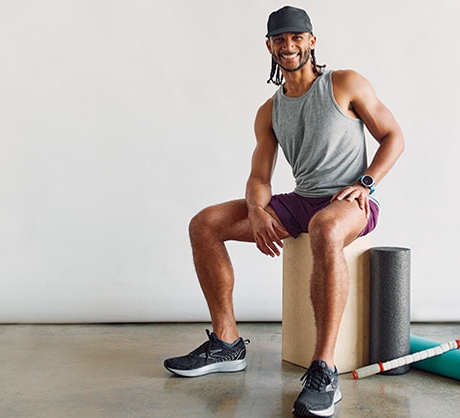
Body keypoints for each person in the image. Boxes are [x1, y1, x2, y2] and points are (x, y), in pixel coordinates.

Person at [164, 5, 404, 417]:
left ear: (312, 41)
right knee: (205, 224)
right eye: (280, 39)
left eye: (296, 38)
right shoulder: (270, 110)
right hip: (301, 200)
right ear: (269, 46)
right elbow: (260, 177)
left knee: (324, 227)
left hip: (349, 204)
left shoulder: (344, 83)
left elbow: (393, 136)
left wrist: (366, 183)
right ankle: (226, 343)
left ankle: (324, 369)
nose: (288, 46)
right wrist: (258, 211)